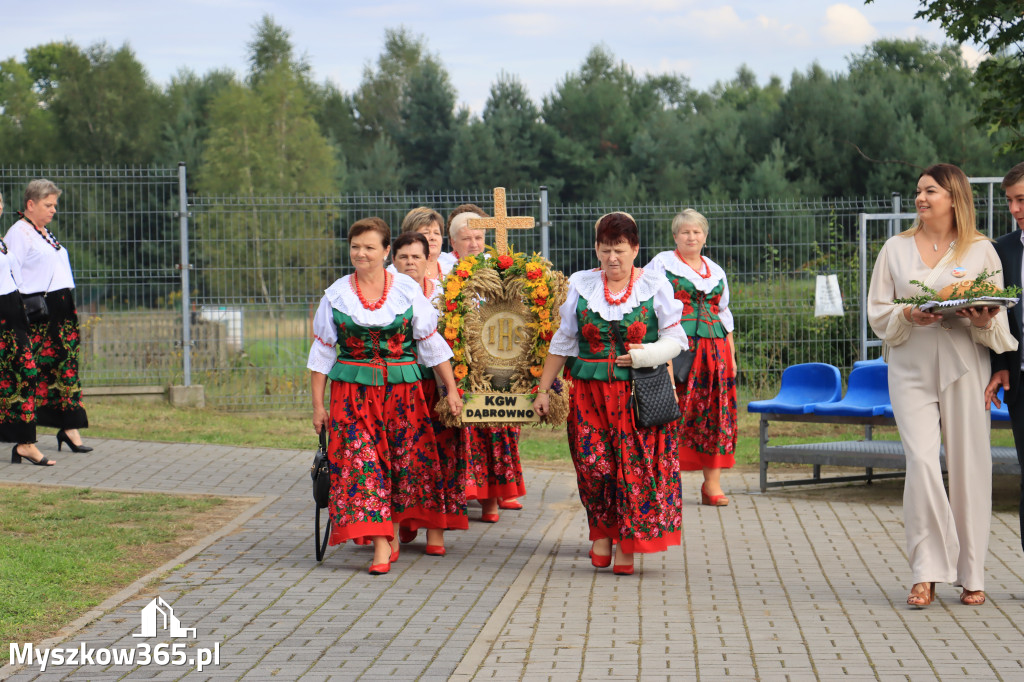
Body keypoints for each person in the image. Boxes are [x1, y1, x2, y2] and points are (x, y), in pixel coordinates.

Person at [868, 163, 1016, 608]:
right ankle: (927, 570)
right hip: (910, 365)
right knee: (921, 463)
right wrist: (908, 314)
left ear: (954, 197)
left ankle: (972, 572)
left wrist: (983, 318)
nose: (920, 198)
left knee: (972, 466)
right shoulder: (893, 249)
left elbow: (998, 321)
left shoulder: (981, 250)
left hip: (964, 363)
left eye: (930, 191)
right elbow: (878, 312)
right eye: (918, 191)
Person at [307, 217, 463, 575]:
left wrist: (450, 389)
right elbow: (322, 354)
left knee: (401, 464)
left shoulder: (407, 291)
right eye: (355, 247)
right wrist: (318, 406)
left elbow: (430, 345)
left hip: (403, 392)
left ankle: (392, 531)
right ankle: (380, 543)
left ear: (385, 251)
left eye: (369, 247)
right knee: (362, 464)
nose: (361, 254)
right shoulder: (336, 295)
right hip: (352, 394)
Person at [534, 211, 687, 575]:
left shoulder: (655, 284)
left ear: (635, 249)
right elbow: (563, 341)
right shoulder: (581, 285)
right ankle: (601, 532)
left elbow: (676, 338)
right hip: (589, 392)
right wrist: (543, 389)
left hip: (638, 392)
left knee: (632, 469)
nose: (612, 258)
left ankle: (626, 546)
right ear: (596, 250)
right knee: (593, 466)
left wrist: (647, 354)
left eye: (619, 249)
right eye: (605, 250)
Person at [646, 209, 737, 505]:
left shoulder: (717, 271)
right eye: (685, 232)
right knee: (674, 411)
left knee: (715, 413)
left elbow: (724, 314)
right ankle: (666, 482)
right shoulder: (662, 264)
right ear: (675, 236)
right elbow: (648, 304)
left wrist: (732, 357)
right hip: (679, 352)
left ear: (705, 237)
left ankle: (712, 484)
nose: (691, 236)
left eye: (697, 232)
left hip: (716, 352)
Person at [445, 204, 526, 518]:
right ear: (454, 243)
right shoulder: (445, 273)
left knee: (498, 425)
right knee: (471, 429)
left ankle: (494, 496)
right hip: (463, 361)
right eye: (466, 239)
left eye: (479, 237)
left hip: (498, 356)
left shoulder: (501, 267)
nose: (474, 244)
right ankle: (477, 494)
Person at [391, 231, 468, 550]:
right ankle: (404, 522)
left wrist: (453, 386)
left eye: (416, 257)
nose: (410, 262)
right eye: (403, 257)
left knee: (442, 453)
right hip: (401, 383)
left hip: (439, 381)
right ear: (392, 260)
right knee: (405, 455)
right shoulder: (385, 293)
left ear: (429, 260)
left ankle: (436, 529)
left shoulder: (445, 293)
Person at [3, 180, 91, 453]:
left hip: (61, 305)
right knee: (29, 368)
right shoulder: (20, 233)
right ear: (30, 204)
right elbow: (10, 272)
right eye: (48, 205)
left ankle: (68, 426)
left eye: (55, 205)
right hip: (38, 306)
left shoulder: (43, 232)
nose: (54, 210)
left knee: (64, 367)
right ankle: (24, 436)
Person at [984, 161, 1024, 558]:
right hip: (1020, 382)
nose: (1014, 209)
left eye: (1022, 199)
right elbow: (998, 316)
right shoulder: (1002, 251)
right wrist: (999, 363)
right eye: (1010, 201)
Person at [0, 190, 52, 466]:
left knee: (25, 374)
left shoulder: (1, 240)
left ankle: (24, 443)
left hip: (13, 312)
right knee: (20, 374)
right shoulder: (15, 234)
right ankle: (25, 443)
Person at [387, 207, 457, 282]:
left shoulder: (452, 267)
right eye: (426, 233)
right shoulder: (394, 273)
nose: (433, 238)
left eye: (436, 233)